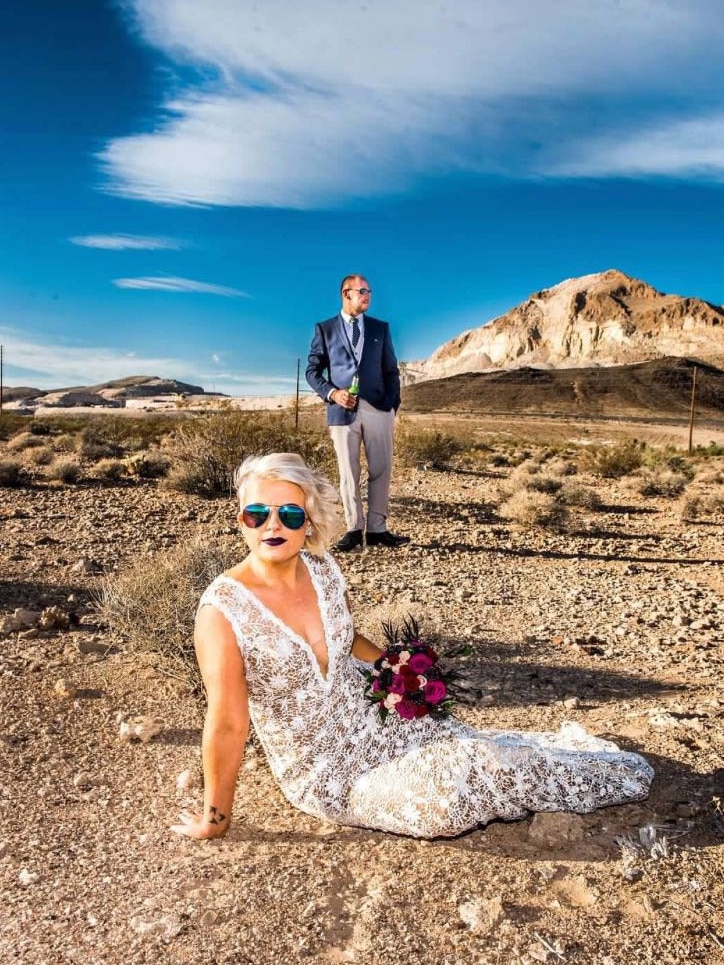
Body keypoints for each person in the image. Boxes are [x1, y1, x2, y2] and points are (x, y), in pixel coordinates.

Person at [171, 452, 653, 841]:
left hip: (375, 723)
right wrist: (217, 816)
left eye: (289, 513)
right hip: (323, 769)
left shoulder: (324, 572)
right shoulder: (222, 611)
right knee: (442, 804)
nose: (272, 525)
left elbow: (345, 640)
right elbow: (229, 722)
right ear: (241, 521)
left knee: (479, 756)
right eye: (257, 513)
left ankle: (548, 766)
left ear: (309, 523)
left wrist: (398, 670)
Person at [306, 274, 409, 551]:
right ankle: (354, 528)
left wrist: (391, 406)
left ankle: (378, 529)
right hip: (342, 412)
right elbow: (313, 372)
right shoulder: (324, 329)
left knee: (382, 470)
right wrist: (333, 394)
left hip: (378, 408)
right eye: (362, 291)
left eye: (369, 291)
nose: (368, 295)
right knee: (348, 472)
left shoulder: (380, 328)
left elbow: (391, 371)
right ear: (345, 293)